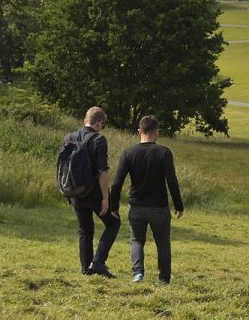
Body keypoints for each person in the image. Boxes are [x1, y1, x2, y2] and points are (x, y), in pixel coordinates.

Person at [109, 115, 184, 284]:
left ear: (139, 131)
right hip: (159, 207)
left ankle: (138, 273)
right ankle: (164, 278)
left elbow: (117, 183)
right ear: (157, 131)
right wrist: (178, 204)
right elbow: (172, 181)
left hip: (136, 206)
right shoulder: (164, 152)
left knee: (137, 240)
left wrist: (114, 206)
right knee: (163, 242)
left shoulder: (128, 153)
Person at [65, 107, 120, 278]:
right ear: (99, 122)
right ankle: (98, 262)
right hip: (94, 192)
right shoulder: (98, 140)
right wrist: (105, 197)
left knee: (85, 230)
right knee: (113, 223)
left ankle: (85, 268)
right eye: (102, 125)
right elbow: (103, 171)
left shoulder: (69, 138)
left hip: (75, 191)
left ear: (85, 120)